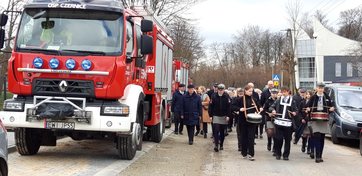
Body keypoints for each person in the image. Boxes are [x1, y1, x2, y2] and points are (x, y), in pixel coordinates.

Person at [306, 82, 335, 163]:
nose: (321, 89)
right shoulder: (313, 97)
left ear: (323, 89)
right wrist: (308, 109)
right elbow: (307, 106)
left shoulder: (327, 97)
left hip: (324, 120)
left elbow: (331, 106)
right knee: (317, 137)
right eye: (319, 87)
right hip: (315, 120)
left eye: (322, 88)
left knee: (322, 138)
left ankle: (320, 155)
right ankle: (317, 156)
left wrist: (332, 108)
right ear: (317, 88)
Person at [233, 84, 262, 161]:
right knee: (243, 137)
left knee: (251, 137)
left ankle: (251, 154)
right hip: (243, 121)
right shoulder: (240, 99)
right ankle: (244, 152)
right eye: (249, 91)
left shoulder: (254, 99)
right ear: (245, 91)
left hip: (252, 122)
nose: (250, 93)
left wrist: (259, 110)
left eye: (251, 91)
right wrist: (240, 109)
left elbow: (259, 107)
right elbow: (232, 107)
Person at [270, 86, 297, 161]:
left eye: (285, 92)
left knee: (287, 140)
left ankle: (286, 155)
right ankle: (278, 154)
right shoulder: (278, 100)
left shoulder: (292, 101)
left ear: (288, 92)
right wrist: (273, 111)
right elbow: (271, 107)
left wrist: (294, 113)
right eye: (282, 92)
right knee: (279, 139)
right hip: (278, 122)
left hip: (288, 123)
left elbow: (296, 110)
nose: (283, 93)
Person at [208, 84, 230, 152]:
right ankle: (216, 145)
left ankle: (221, 144)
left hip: (224, 116)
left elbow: (229, 107)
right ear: (217, 89)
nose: (220, 91)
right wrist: (210, 116)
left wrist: (228, 116)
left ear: (223, 90)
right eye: (219, 90)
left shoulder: (226, 96)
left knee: (222, 132)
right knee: (216, 130)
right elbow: (210, 106)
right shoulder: (214, 96)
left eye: (222, 90)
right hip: (216, 115)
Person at [263, 88, 279, 154]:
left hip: (277, 118)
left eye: (275, 93)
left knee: (275, 133)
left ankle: (275, 147)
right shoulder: (268, 101)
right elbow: (264, 110)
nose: (274, 95)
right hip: (269, 118)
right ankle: (269, 142)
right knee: (270, 132)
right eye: (273, 93)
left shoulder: (279, 100)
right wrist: (268, 113)